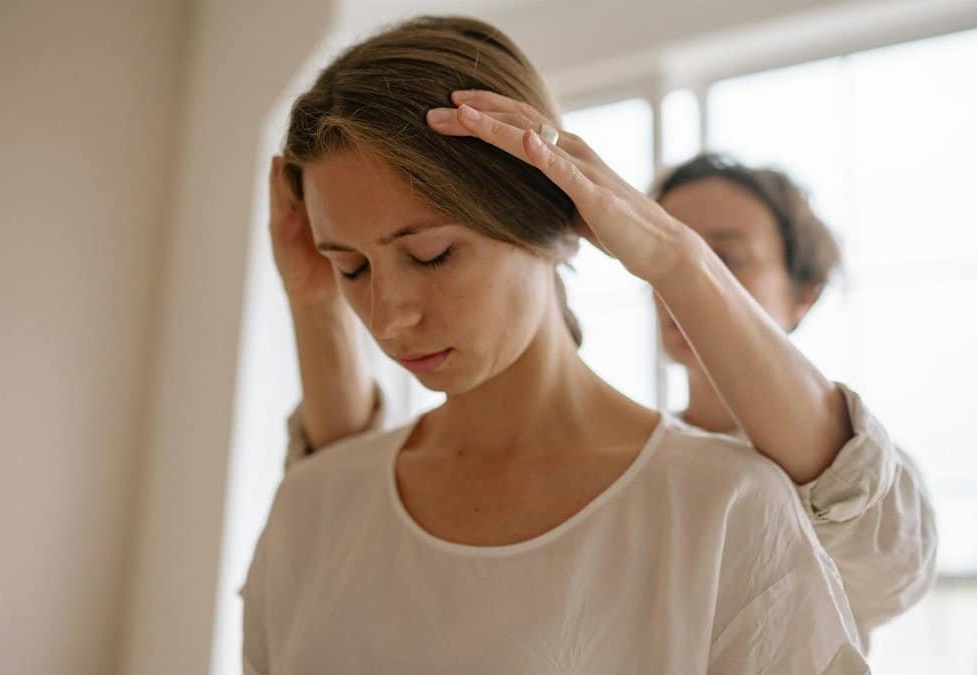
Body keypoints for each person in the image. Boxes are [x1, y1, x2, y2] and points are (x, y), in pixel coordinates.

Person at [243, 15, 870, 674]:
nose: (388, 317)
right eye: (352, 267)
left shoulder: (725, 510)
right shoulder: (311, 507)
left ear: (548, 218)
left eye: (431, 254)